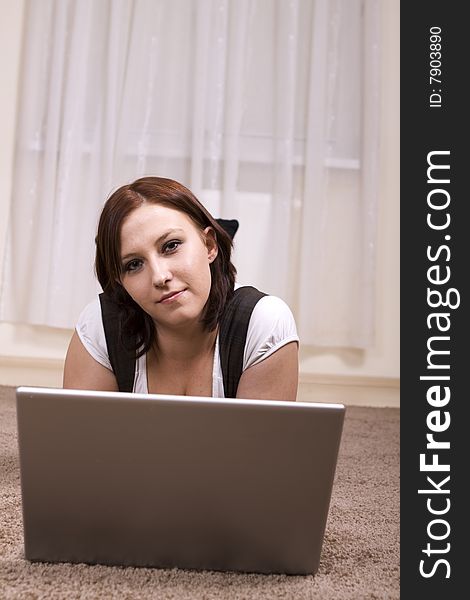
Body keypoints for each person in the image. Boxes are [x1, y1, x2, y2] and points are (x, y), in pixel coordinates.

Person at [63, 176, 299, 400]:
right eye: (134, 264)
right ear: (120, 282)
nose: (159, 276)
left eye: (171, 246)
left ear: (209, 245)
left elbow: (260, 443)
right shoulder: (100, 327)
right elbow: (81, 441)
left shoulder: (263, 322)